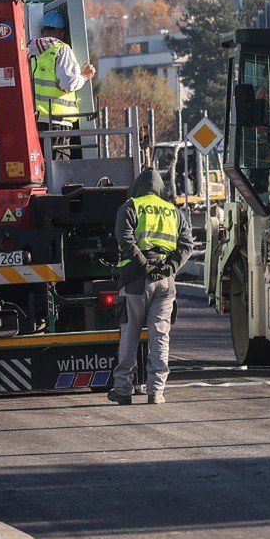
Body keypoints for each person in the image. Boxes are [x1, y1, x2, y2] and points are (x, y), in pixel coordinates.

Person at [109, 168, 194, 405]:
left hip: (135, 281)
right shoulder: (173, 211)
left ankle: (123, 390)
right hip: (165, 282)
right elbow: (187, 245)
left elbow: (124, 239)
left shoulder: (131, 206)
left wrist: (144, 265)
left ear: (137, 188)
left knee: (129, 336)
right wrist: (169, 267)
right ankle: (156, 391)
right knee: (160, 336)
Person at [29, 9, 95, 158]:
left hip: (37, 121)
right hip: (57, 122)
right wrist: (85, 76)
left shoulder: (31, 50)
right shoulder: (62, 49)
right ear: (61, 32)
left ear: (43, 31)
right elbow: (69, 83)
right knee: (58, 165)